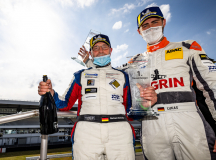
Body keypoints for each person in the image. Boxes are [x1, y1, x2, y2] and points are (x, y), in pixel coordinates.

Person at [80, 6, 216, 160]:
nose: (150, 27)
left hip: (188, 120)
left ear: (163, 22)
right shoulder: (134, 60)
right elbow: (109, 74)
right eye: (145, 25)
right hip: (151, 123)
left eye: (155, 22)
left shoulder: (187, 47)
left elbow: (212, 85)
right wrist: (89, 63)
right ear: (139, 31)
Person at [38, 34, 157, 160]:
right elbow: (64, 104)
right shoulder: (80, 75)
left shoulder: (124, 76)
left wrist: (144, 105)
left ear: (111, 50)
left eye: (104, 47)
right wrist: (50, 92)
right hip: (87, 133)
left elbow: (130, 111)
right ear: (91, 53)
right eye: (96, 48)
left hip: (120, 134)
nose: (100, 51)